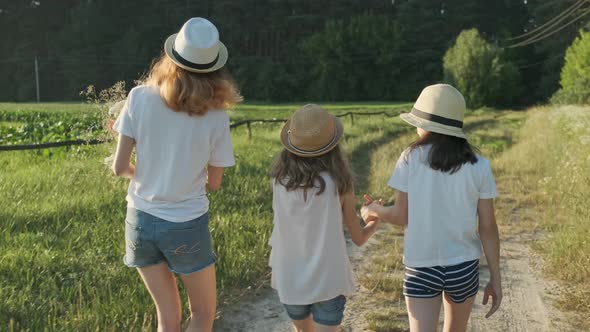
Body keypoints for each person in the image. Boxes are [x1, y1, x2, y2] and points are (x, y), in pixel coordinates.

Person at [111, 17, 242, 332]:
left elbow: (119, 168)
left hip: (139, 221)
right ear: (215, 68)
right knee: (202, 314)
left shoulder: (138, 97)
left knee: (167, 319)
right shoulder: (216, 117)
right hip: (186, 224)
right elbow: (214, 183)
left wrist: (149, 176)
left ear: (172, 57)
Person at [361, 84, 502, 332]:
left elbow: (401, 215)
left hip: (421, 265)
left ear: (424, 125)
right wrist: (496, 278)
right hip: (463, 266)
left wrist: (373, 210)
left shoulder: (410, 158)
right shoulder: (480, 165)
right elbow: (488, 227)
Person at [269, 104, 380, 332]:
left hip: (290, 279)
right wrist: (374, 219)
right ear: (333, 146)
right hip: (329, 279)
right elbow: (358, 238)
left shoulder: (279, 182)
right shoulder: (340, 184)